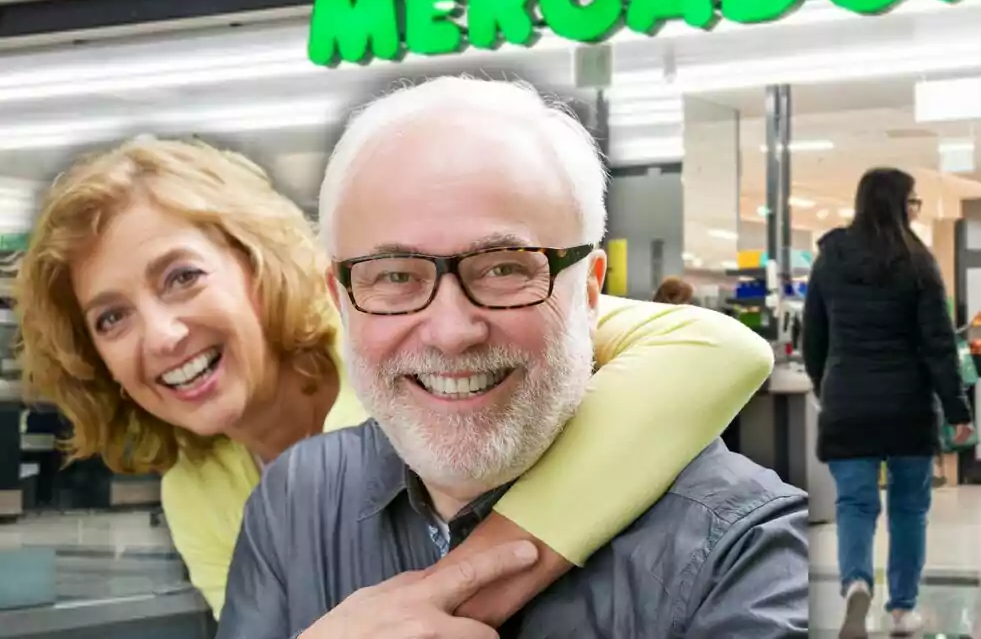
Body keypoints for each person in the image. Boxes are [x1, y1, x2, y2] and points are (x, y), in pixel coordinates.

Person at [14, 129, 777, 624]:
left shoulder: (402, 337)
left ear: (260, 266)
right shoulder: (201, 487)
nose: (161, 334)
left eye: (181, 277)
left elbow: (720, 350)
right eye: (110, 317)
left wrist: (472, 582)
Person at [216, 77, 809, 637]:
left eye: (505, 268)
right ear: (340, 302)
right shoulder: (296, 495)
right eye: (394, 275)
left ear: (591, 291)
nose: (451, 332)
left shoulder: (740, 549)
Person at [802, 167, 972, 639]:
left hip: (848, 401)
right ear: (901, 205)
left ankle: (856, 582)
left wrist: (826, 385)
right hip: (908, 404)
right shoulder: (918, 262)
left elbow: (812, 335)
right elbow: (939, 343)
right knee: (908, 509)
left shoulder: (829, 258)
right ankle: (902, 608)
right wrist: (957, 410)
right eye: (914, 202)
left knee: (855, 503)